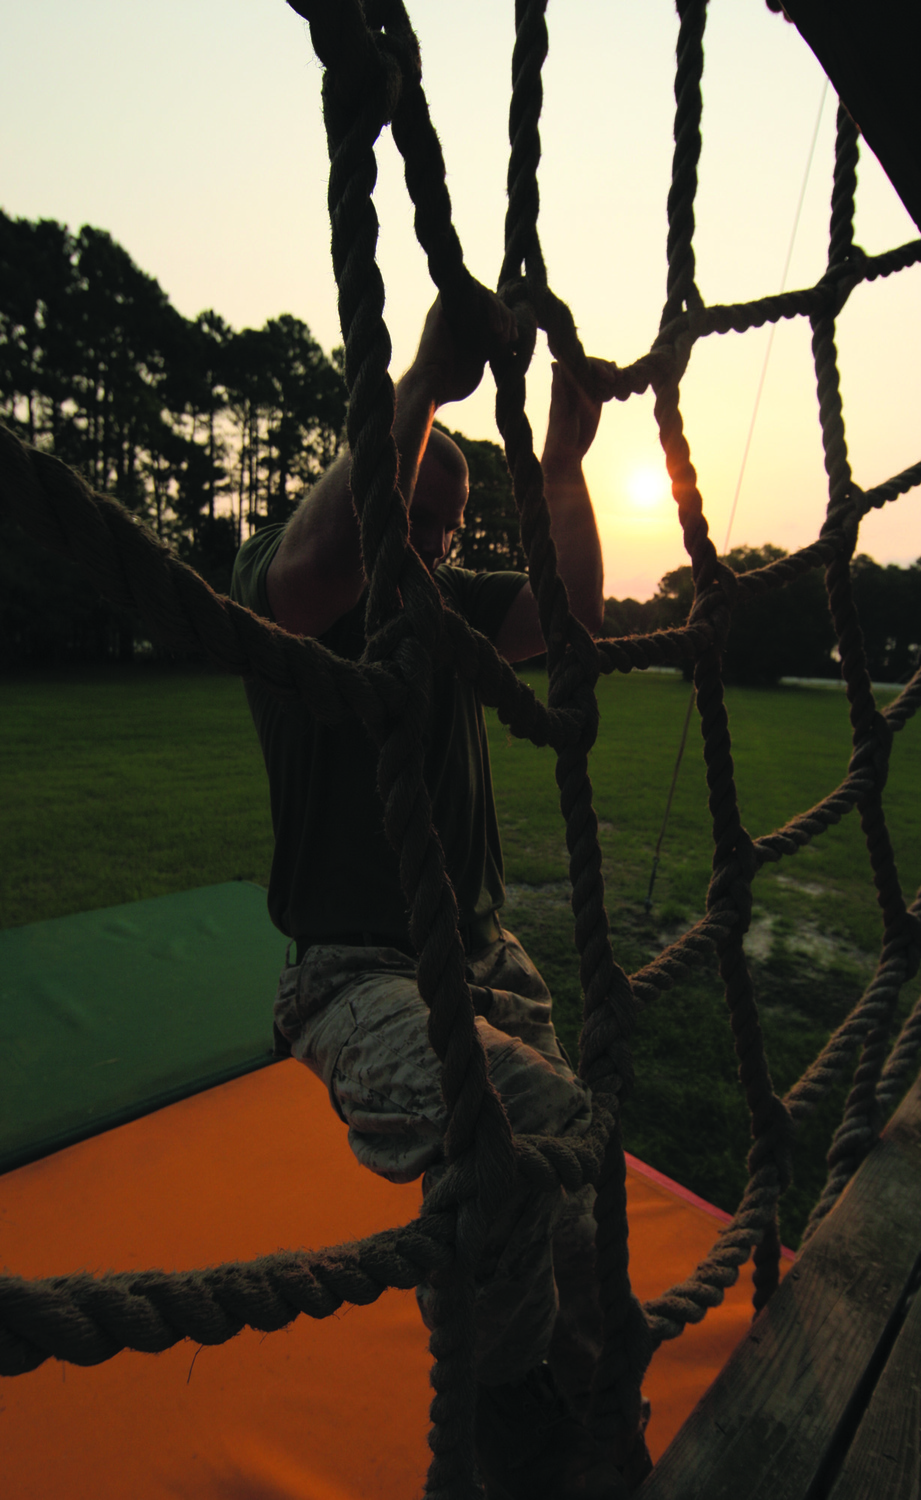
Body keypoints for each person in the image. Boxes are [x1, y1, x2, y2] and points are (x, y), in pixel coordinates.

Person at [231, 296, 642, 1499]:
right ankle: (502, 1419)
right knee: (508, 1128)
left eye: (451, 534)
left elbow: (568, 617)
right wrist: (416, 381)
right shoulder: (288, 587)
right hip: (352, 976)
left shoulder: (442, 606)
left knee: (570, 1198)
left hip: (484, 960)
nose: (434, 549)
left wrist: (560, 466)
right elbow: (311, 574)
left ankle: (585, 1416)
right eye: (415, 520)